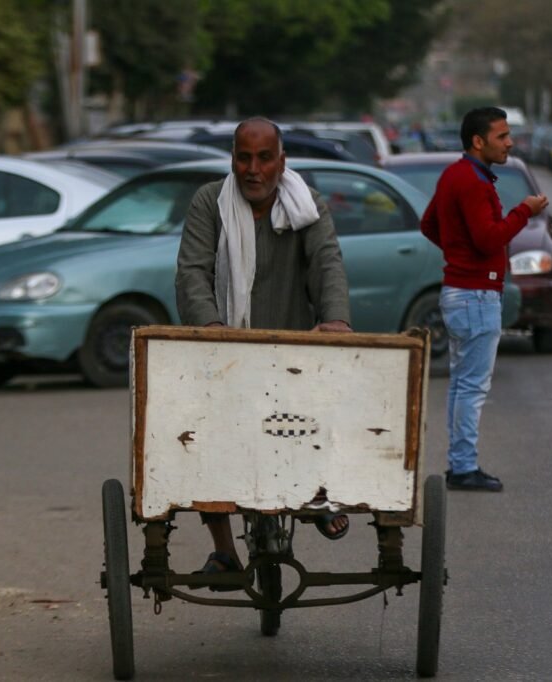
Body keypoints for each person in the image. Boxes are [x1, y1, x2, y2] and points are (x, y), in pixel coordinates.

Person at [175, 117, 352, 587]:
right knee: (198, 433)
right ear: (232, 159)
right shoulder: (209, 202)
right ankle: (224, 550)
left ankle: (317, 495)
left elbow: (327, 261)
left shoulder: (306, 205)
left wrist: (334, 317)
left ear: (281, 161)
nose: (253, 169)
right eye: (243, 158)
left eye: (264, 158)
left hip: (293, 350)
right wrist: (211, 328)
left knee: (319, 415)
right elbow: (192, 271)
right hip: (224, 349)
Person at [420, 107, 549, 492]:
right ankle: (463, 468)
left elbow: (430, 225)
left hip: (461, 291)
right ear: (478, 141)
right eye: (502, 136)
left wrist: (457, 254)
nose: (509, 142)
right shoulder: (473, 183)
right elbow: (489, 238)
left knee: (462, 384)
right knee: (471, 387)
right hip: (475, 295)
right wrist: (525, 210)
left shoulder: (455, 174)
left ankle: (460, 463)